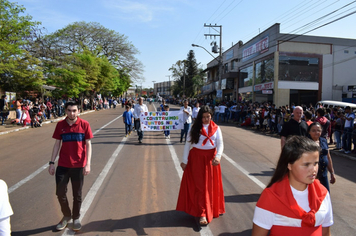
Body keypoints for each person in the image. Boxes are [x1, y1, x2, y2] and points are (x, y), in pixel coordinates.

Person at [252, 136, 333, 236]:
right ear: (289, 165)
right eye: (306, 164)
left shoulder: (323, 193)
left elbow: (325, 232)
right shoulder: (271, 196)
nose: (313, 170)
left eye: (315, 163)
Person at [48, 101, 93, 231]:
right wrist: (52, 163)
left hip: (78, 166)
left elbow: (88, 144)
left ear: (78, 111)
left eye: (74, 110)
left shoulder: (84, 124)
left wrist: (88, 163)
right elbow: (57, 144)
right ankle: (67, 216)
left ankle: (76, 217)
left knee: (77, 194)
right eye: (69, 110)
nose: (71, 113)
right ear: (66, 111)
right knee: (60, 192)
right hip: (63, 165)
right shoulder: (60, 125)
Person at [176, 105, 225, 226]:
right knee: (200, 187)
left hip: (210, 160)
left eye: (208, 116)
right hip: (196, 160)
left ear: (211, 116)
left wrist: (218, 156)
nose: (206, 119)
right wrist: (184, 161)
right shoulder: (194, 128)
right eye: (203, 117)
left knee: (210, 186)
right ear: (200, 118)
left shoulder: (216, 128)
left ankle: (213, 207)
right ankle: (202, 213)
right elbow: (188, 145)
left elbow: (220, 144)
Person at [308, 122, 336, 192]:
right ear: (309, 132)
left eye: (318, 130)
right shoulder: (305, 143)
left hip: (323, 175)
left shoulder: (323, 141)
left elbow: (328, 157)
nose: (316, 132)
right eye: (313, 130)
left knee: (325, 195)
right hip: (311, 176)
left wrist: (332, 173)